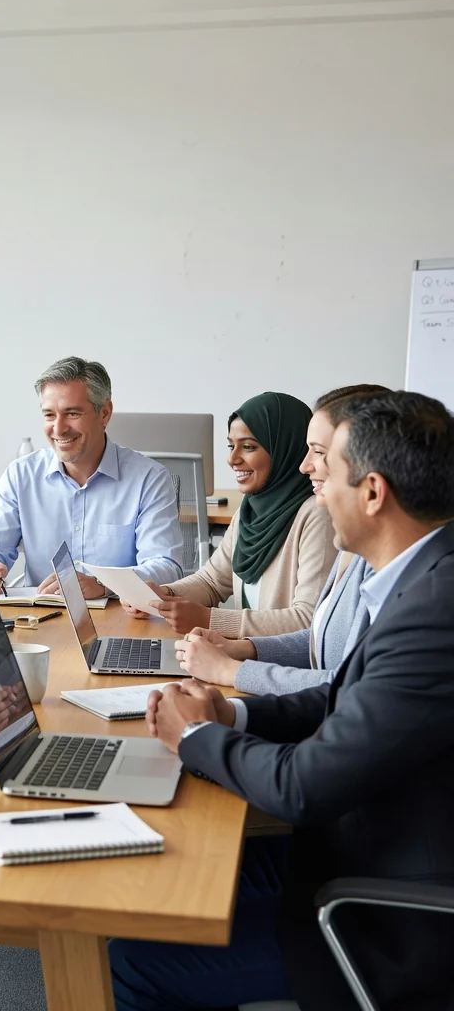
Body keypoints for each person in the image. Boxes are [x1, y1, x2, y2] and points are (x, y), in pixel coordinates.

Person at [110, 390, 454, 1011]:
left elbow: (303, 787)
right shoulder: (419, 577)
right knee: (169, 877)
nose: (310, 478)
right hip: (353, 845)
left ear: (372, 492)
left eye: (327, 465)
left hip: (388, 912)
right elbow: (343, 695)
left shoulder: (435, 611)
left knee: (135, 960)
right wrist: (231, 711)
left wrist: (196, 738)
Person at [175, 385, 389, 694]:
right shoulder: (251, 509)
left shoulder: (323, 520)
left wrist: (232, 666)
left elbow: (347, 683)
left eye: (319, 452)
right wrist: (244, 649)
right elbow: (319, 637)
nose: (305, 465)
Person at [0, 357, 184, 598]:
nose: (58, 429)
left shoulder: (149, 479)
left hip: (121, 618)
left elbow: (167, 567)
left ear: (105, 413)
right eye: (49, 415)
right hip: (40, 621)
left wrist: (102, 584)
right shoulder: (20, 476)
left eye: (72, 413)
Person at [124, 391, 336, 638]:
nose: (232, 459)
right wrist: (163, 596)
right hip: (241, 658)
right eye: (231, 446)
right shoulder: (250, 510)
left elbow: (308, 620)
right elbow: (212, 582)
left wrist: (209, 620)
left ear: (285, 448)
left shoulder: (318, 516)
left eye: (248, 447)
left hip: (280, 669)